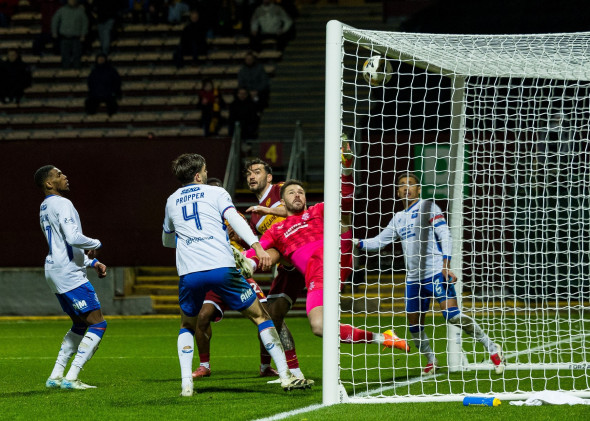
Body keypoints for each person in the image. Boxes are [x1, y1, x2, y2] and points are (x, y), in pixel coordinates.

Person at [162, 153, 313, 396]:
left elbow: (167, 239)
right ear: (199, 175)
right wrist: (257, 246)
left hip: (189, 271)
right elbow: (235, 219)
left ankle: (186, 385)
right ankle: (286, 376)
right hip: (222, 267)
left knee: (187, 325)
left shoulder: (171, 200)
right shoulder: (216, 193)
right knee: (261, 317)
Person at [242, 149, 409, 352]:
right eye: (291, 193)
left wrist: (346, 171)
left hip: (337, 255)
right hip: (318, 275)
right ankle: (383, 338)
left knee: (343, 213)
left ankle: (346, 167)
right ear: (283, 202)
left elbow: (345, 199)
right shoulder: (276, 230)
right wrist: (244, 259)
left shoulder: (316, 211)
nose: (297, 195)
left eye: (301, 192)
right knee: (319, 326)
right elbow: (256, 250)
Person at [354, 173, 505, 374]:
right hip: (414, 280)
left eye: (410, 184)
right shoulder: (398, 218)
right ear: (398, 192)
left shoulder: (428, 207)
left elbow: (445, 234)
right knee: (414, 325)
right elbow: (378, 242)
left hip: (435, 271)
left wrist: (446, 264)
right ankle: (431, 360)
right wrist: (354, 242)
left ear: (418, 189)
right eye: (401, 185)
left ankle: (491, 346)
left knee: (452, 317)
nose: (406, 188)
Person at [192, 177, 280, 379]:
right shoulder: (200, 219)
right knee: (203, 317)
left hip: (236, 274)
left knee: (265, 314)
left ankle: (265, 366)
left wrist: (236, 236)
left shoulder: (234, 215)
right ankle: (204, 365)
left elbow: (250, 243)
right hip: (213, 274)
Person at [34, 165, 108, 390]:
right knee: (98, 324)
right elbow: (73, 237)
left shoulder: (44, 206)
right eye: (58, 175)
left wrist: (91, 262)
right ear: (49, 183)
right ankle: (72, 376)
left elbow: (61, 245)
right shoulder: (63, 203)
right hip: (68, 274)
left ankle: (56, 376)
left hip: (55, 271)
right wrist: (96, 244)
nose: (64, 176)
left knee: (79, 324)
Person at [51, 0, 89, 69]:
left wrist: (83, 34)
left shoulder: (80, 11)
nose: (73, 1)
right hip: (64, 37)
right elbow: (55, 21)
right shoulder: (62, 10)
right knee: (65, 56)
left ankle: (77, 70)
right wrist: (54, 32)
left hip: (76, 37)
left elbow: (85, 23)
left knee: (77, 56)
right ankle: (66, 70)